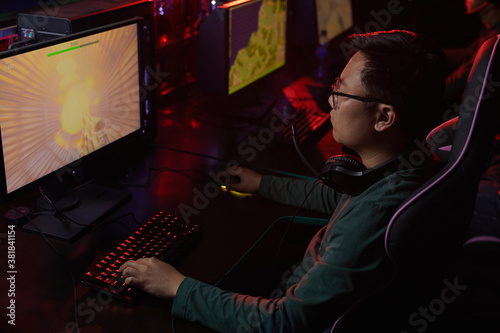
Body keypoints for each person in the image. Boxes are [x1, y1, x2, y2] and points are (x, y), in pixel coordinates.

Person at [119, 30, 447, 332]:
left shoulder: (373, 213)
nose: (330, 99)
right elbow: (338, 197)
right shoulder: (407, 167)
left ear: (384, 117)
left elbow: (284, 322)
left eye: (342, 92)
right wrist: (262, 183)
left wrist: (176, 286)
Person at [444, 0, 500, 109]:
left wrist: (438, 91)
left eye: (484, 13)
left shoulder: (495, 38)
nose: (483, 19)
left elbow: (469, 68)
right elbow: (466, 54)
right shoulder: (488, 32)